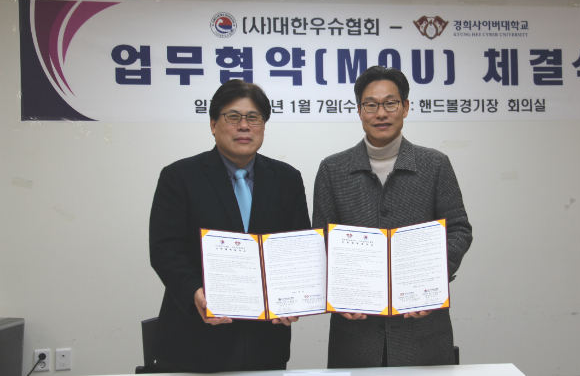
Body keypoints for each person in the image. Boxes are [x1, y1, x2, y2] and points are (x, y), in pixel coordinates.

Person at [313, 66, 472, 368]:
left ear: (406, 107)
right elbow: (320, 240)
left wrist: (433, 279)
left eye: (390, 103)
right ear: (359, 110)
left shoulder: (435, 164)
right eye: (371, 105)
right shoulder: (333, 169)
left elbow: (459, 229)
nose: (381, 113)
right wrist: (337, 290)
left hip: (422, 327)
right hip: (356, 332)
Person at [149, 79, 311, 373]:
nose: (244, 126)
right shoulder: (179, 176)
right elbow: (165, 250)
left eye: (253, 118)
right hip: (194, 341)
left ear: (263, 125)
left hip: (266, 342)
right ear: (213, 124)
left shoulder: (287, 178)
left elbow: (299, 247)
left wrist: (295, 296)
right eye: (233, 117)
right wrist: (195, 292)